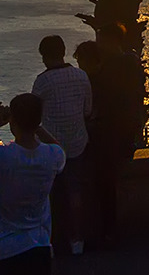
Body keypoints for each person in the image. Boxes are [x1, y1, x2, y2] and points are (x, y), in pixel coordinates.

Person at [0, 92, 66, 274]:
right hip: (39, 246)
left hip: (1, 250)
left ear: (12, 122)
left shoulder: (0, 155)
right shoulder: (52, 156)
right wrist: (37, 126)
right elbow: (58, 147)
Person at [31, 37, 92, 257]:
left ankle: (51, 241)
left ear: (43, 55)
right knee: (75, 193)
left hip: (49, 148)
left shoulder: (42, 82)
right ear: (64, 51)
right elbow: (87, 110)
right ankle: (78, 240)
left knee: (48, 196)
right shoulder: (81, 76)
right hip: (77, 144)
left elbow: (32, 116)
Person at [84, 23, 142, 245]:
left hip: (111, 132)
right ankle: (110, 231)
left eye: (100, 40)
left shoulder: (113, 67)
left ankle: (109, 232)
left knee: (106, 183)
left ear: (110, 41)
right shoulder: (130, 62)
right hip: (124, 130)